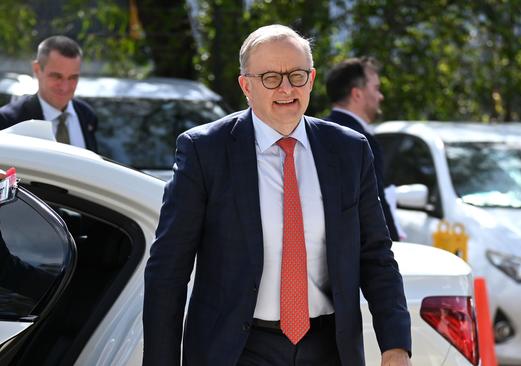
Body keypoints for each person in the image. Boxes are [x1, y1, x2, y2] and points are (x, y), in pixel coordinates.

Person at [143, 24, 412, 366]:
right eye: (271, 77)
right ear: (247, 86)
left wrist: (396, 345)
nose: (286, 88)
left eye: (297, 75)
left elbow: (376, 256)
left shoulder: (348, 151)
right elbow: (169, 268)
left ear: (311, 79)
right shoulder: (205, 151)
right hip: (237, 350)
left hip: (328, 349)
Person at [325, 57, 404, 241]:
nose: (380, 96)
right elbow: (375, 207)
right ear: (357, 94)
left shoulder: (313, 134)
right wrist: (393, 248)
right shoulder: (362, 142)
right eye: (376, 88)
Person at [0, 35, 98, 152]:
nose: (64, 87)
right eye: (57, 76)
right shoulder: (10, 120)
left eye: (73, 77)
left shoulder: (87, 116)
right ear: (37, 70)